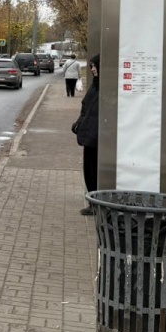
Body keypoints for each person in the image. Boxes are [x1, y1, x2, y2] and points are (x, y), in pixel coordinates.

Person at [73, 55, 100, 216]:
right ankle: (93, 201)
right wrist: (79, 123)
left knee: (94, 169)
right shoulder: (95, 85)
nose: (93, 69)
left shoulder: (105, 86)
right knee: (88, 169)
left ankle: (96, 202)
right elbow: (86, 106)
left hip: (97, 135)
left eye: (95, 66)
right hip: (90, 134)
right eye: (91, 67)